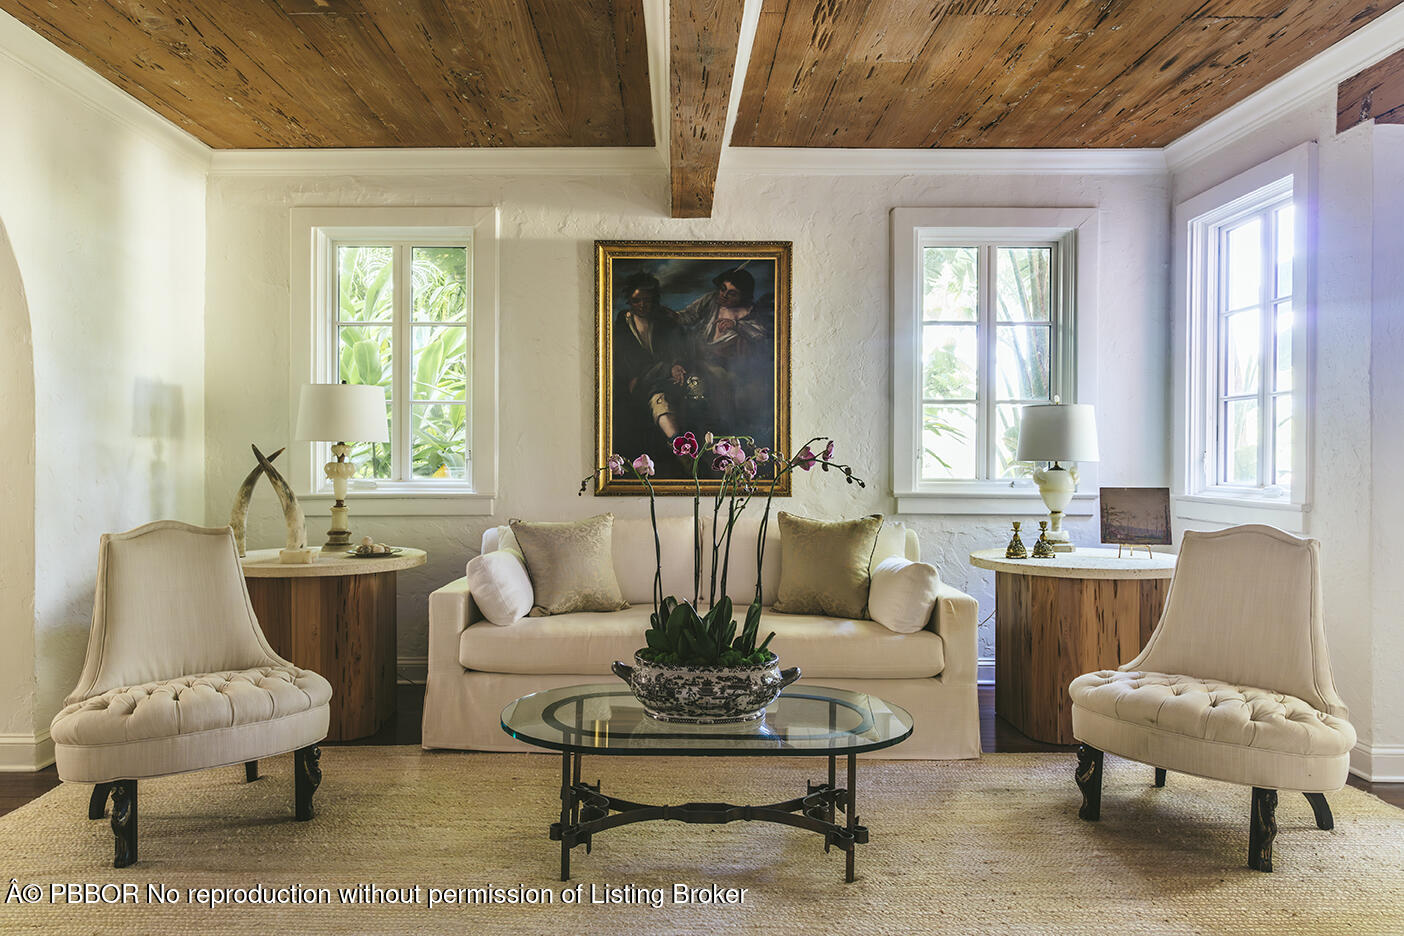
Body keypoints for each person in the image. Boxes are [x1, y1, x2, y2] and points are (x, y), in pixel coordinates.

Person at [675, 268, 775, 455]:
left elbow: (760, 334)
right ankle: (690, 445)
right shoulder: (711, 302)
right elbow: (687, 316)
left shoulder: (750, 313)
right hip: (698, 363)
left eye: (732, 293)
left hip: (728, 372)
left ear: (743, 296)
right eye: (722, 289)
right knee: (693, 399)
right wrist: (670, 317)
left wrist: (736, 326)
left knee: (718, 406)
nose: (724, 296)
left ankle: (718, 447)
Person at [611, 272, 690, 473]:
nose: (642, 305)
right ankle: (681, 450)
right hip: (637, 382)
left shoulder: (664, 321)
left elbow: (678, 348)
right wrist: (667, 368)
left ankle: (684, 450)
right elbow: (631, 364)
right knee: (657, 398)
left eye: (647, 300)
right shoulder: (622, 325)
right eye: (637, 300)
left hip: (662, 378)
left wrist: (677, 364)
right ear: (629, 300)